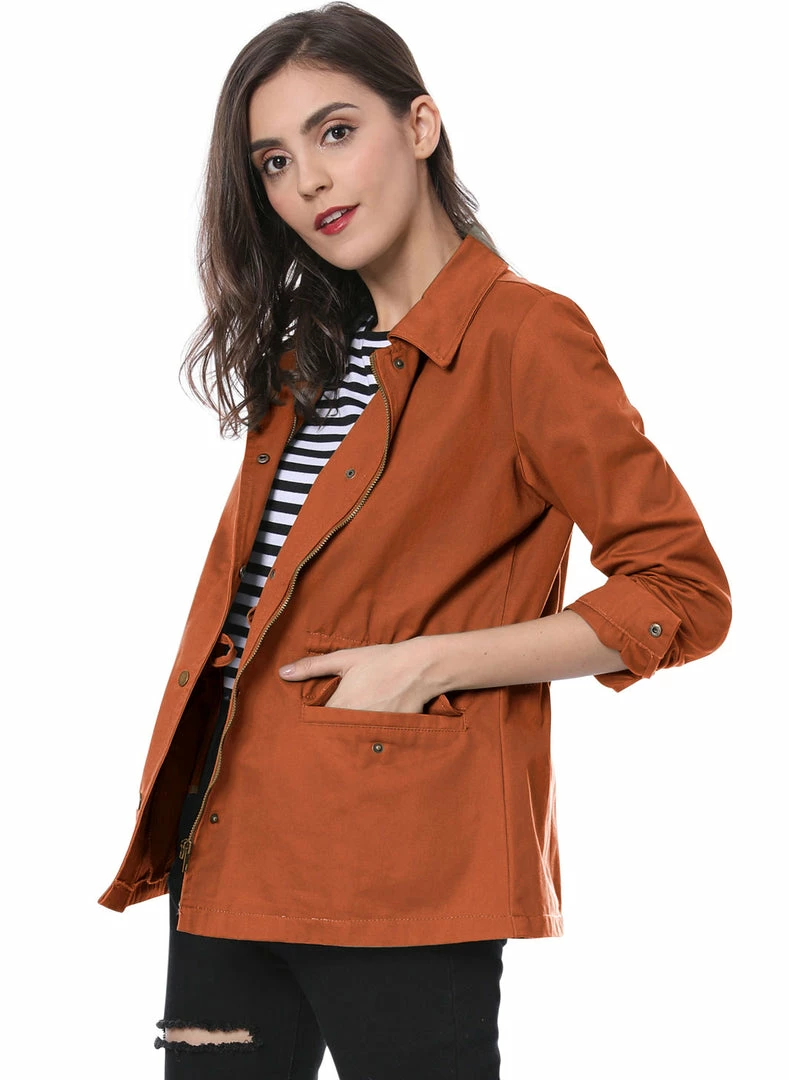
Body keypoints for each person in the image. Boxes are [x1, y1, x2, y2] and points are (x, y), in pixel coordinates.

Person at [98, 4, 732, 1077]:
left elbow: (681, 590)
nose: (308, 180)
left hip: (398, 860)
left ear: (421, 126)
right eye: (273, 160)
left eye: (336, 132)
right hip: (229, 832)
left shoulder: (524, 335)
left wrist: (426, 664)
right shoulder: (307, 357)